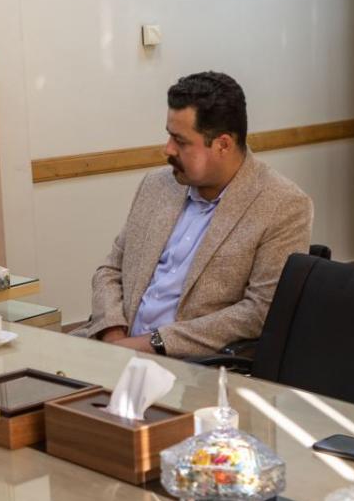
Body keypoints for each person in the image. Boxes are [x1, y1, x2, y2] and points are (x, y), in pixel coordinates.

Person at [71, 71, 313, 357]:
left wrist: (149, 344)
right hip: (114, 346)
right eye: (169, 135)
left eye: (181, 141)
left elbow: (259, 311)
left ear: (223, 144)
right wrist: (113, 335)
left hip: (187, 365)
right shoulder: (156, 186)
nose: (167, 149)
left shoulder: (282, 205)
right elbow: (111, 269)